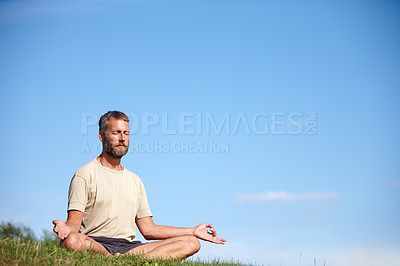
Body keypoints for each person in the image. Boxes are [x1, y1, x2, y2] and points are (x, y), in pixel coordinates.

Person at [52, 111, 226, 259]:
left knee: (191, 242)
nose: (122, 138)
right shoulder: (85, 174)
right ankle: (119, 260)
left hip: (130, 248)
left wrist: (193, 230)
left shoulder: (135, 180)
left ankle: (122, 260)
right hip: (96, 244)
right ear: (101, 136)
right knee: (73, 241)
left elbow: (149, 229)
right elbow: (74, 223)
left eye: (126, 133)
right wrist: (65, 228)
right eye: (116, 133)